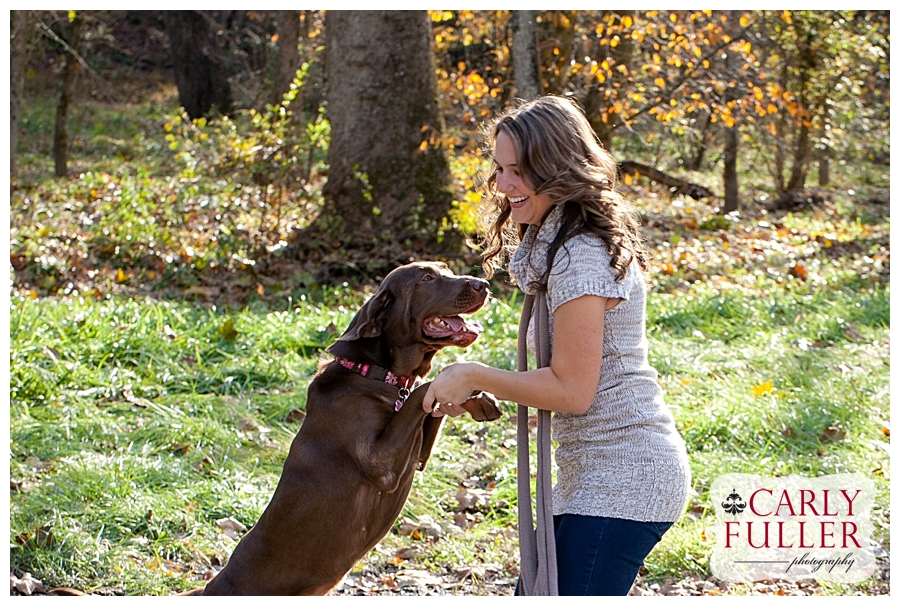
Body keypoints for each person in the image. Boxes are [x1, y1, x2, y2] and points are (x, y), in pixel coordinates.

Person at [422, 96, 692, 596]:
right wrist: (506, 396)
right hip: (592, 476)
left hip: (626, 479)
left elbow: (573, 390)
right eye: (499, 170)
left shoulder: (580, 256)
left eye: (518, 171)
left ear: (556, 168)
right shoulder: (559, 245)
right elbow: (579, 381)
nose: (503, 186)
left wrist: (475, 374)